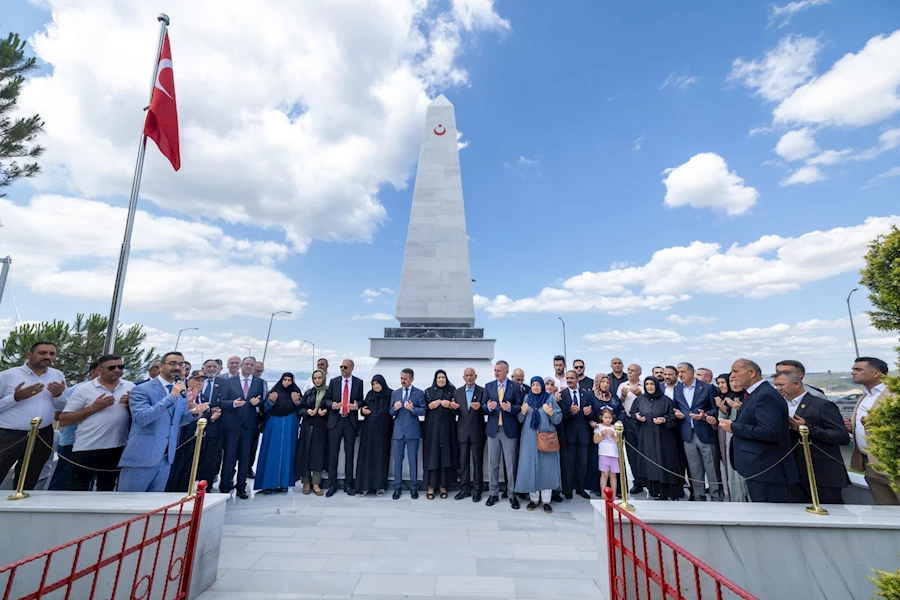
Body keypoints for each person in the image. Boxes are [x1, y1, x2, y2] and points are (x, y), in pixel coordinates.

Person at [118, 352, 207, 492]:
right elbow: (141, 419)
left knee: (156, 503)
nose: (177, 367)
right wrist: (171, 397)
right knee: (130, 501)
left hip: (166, 458)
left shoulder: (180, 391)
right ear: (160, 366)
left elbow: (174, 422)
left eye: (181, 364)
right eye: (172, 363)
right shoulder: (142, 389)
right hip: (142, 457)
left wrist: (193, 413)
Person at [719, 359, 798, 503]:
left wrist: (734, 427)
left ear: (751, 373)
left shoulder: (765, 395)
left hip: (767, 469)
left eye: (735, 371)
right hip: (758, 468)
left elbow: (770, 431)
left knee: (769, 512)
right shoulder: (755, 394)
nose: (732, 376)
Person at [772, 371, 850, 505]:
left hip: (822, 474)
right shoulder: (781, 406)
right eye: (776, 385)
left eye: (781, 385)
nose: (779, 388)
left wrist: (806, 428)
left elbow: (841, 436)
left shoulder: (822, 405)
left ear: (796, 384)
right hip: (794, 473)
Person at [59, 354, 133, 491]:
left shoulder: (130, 387)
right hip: (87, 448)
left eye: (121, 367)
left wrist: (130, 406)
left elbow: (136, 417)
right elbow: (64, 420)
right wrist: (93, 408)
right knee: (78, 489)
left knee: (107, 489)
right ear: (99, 370)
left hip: (117, 447)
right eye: (112, 368)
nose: (117, 370)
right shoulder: (83, 389)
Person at [0, 341, 67, 491]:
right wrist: (15, 398)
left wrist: (58, 395)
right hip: (8, 436)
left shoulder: (57, 375)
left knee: (29, 480)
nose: (47, 357)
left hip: (42, 435)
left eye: (51, 354)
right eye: (42, 353)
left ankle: (20, 504)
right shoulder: (7, 376)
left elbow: (62, 406)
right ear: (29, 354)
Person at [847, 356, 899, 505]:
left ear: (876, 373)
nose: (852, 372)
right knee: (884, 509)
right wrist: (853, 428)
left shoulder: (894, 394)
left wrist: (877, 424)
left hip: (893, 464)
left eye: (858, 369)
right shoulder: (865, 395)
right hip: (871, 464)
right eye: (853, 369)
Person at [672, 362, 723, 501]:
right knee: (694, 469)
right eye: (678, 372)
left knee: (712, 468)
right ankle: (698, 497)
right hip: (687, 434)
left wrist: (704, 416)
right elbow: (676, 407)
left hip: (705, 432)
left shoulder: (707, 388)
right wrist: (676, 413)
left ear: (691, 372)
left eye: (683, 372)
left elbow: (716, 409)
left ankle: (716, 497)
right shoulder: (677, 389)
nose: (680, 375)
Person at [48, 360, 100, 491]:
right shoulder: (76, 390)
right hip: (72, 443)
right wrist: (91, 410)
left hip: (97, 444)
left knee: (87, 483)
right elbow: (58, 415)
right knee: (63, 482)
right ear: (92, 372)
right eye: (102, 370)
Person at [219, 357, 265, 499]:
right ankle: (225, 486)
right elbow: (222, 401)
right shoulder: (229, 381)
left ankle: (241, 487)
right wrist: (233, 403)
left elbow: (262, 402)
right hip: (232, 425)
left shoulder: (259, 382)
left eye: (252, 365)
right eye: (246, 364)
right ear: (241, 365)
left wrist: (258, 403)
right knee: (229, 457)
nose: (249, 366)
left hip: (249, 426)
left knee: (245, 458)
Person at [515, 377, 562, 514]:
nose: (535, 387)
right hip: (529, 439)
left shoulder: (549, 398)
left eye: (538, 385)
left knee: (546, 468)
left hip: (546, 438)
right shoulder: (527, 399)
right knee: (530, 466)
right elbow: (521, 419)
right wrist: (522, 412)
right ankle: (534, 499)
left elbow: (558, 419)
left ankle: (546, 501)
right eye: (533, 385)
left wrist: (551, 413)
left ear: (542, 386)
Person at [630, 377, 682, 500]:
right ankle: (654, 491)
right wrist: (637, 418)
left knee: (664, 462)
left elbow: (673, 417)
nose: (649, 386)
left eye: (652, 384)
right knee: (649, 464)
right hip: (646, 437)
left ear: (657, 385)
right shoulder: (640, 399)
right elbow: (633, 414)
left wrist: (664, 420)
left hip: (663, 437)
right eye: (647, 384)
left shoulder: (666, 400)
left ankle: (666, 492)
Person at [483, 360, 523, 509]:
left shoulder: (515, 387)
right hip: (493, 431)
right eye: (495, 370)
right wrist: (488, 407)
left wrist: (510, 408)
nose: (496, 373)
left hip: (509, 431)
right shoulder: (489, 386)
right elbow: (482, 406)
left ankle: (512, 495)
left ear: (506, 371)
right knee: (493, 464)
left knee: (511, 465)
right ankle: (493, 493)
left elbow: (520, 406)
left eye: (499, 370)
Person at [254, 373, 303, 494]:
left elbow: (301, 410)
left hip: (290, 424)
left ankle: (284, 483)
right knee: (270, 452)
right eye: (284, 379)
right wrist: (271, 401)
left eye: (289, 380)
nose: (286, 382)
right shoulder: (274, 392)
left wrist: (297, 402)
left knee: (287, 453)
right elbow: (264, 409)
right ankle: (267, 484)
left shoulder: (295, 393)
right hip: (273, 424)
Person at [325, 359, 364, 496]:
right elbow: (326, 399)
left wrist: (356, 406)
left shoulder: (358, 382)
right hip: (335, 421)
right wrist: (333, 405)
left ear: (352, 368)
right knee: (333, 453)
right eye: (341, 366)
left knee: (349, 453)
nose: (342, 369)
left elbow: (361, 400)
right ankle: (332, 485)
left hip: (349, 421)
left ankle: (348, 484)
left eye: (345, 367)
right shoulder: (334, 381)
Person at [165, 370, 208, 492]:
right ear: (189, 381)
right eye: (197, 380)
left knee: (189, 467)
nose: (200, 383)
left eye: (202, 381)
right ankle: (171, 490)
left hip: (196, 438)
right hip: (182, 437)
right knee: (177, 465)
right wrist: (187, 405)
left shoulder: (203, 397)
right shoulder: (182, 395)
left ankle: (184, 490)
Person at [559, 370, 597, 499]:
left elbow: (593, 413)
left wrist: (589, 414)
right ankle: (568, 489)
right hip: (569, 435)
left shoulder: (586, 394)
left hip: (583, 435)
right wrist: (570, 412)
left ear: (577, 379)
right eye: (567, 378)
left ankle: (580, 488)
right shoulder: (562, 395)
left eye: (572, 378)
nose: (569, 380)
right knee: (569, 463)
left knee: (582, 463)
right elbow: (560, 416)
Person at [423, 370, 459, 499]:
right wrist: (430, 406)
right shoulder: (428, 392)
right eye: (439, 377)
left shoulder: (452, 391)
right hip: (432, 430)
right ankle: (431, 486)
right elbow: (422, 409)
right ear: (435, 379)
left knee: (445, 456)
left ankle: (443, 486)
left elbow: (458, 410)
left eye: (443, 377)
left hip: (447, 430)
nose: (441, 379)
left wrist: (450, 406)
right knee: (432, 456)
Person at [356, 375, 393, 496]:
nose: (376, 386)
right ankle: (364, 486)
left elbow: (392, 411)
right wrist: (362, 411)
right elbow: (364, 408)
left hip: (383, 431)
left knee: (380, 458)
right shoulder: (370, 395)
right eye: (373, 384)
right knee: (366, 457)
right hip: (368, 431)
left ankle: (379, 486)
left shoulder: (389, 394)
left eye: (378, 384)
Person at [390, 368, 425, 499]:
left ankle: (414, 487)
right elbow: (390, 412)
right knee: (397, 461)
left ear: (412, 379)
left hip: (412, 432)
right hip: (398, 432)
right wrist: (394, 408)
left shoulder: (419, 393)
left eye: (405, 378)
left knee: (412, 461)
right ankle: (397, 487)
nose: (403, 381)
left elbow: (423, 411)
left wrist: (413, 409)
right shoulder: (395, 393)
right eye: (401, 378)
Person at [713, 374, 747, 502]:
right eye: (731, 381)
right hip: (730, 439)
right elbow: (723, 418)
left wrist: (741, 408)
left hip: (745, 438)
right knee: (732, 470)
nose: (734, 384)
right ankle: (736, 498)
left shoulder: (748, 397)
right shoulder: (729, 397)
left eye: (736, 381)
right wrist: (723, 408)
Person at [454, 367, 485, 501]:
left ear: (475, 376)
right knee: (463, 462)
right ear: (463, 377)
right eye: (466, 375)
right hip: (462, 432)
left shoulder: (482, 391)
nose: (469, 378)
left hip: (477, 431)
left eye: (471, 375)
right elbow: (457, 412)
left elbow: (486, 410)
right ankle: (464, 489)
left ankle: (477, 490)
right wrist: (453, 408)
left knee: (477, 462)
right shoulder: (457, 392)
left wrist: (480, 408)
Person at [296, 369, 329, 495]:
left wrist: (325, 412)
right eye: (315, 378)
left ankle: (316, 483)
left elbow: (332, 407)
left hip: (321, 427)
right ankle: (306, 482)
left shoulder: (328, 392)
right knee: (305, 453)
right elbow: (300, 409)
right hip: (307, 426)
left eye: (319, 378)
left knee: (318, 455)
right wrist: (307, 412)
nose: (317, 380)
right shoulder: (309, 393)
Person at [617, 364, 646, 495]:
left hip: (644, 422)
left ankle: (649, 482)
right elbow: (618, 404)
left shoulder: (644, 385)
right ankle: (637, 482)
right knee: (632, 453)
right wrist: (623, 396)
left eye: (633, 370)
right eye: (628, 370)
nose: (629, 372)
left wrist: (640, 394)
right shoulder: (622, 386)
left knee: (646, 452)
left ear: (639, 373)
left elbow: (650, 401)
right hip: (629, 421)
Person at [195, 361, 224, 489]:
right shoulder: (195, 384)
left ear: (218, 369)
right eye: (209, 366)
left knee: (209, 457)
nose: (211, 369)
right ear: (203, 368)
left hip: (213, 425)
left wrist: (218, 410)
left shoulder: (223, 383)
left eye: (214, 367)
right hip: (193, 426)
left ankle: (206, 486)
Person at [594, 408, 620, 498]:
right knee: (604, 474)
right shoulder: (598, 427)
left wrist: (613, 436)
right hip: (603, 454)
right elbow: (595, 440)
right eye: (605, 417)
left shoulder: (615, 427)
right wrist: (602, 435)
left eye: (610, 417)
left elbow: (618, 441)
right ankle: (603, 494)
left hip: (614, 455)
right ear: (601, 417)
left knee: (613, 475)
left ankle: (613, 494)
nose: (608, 419)